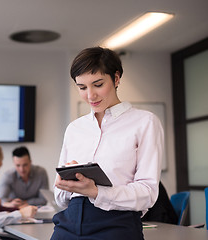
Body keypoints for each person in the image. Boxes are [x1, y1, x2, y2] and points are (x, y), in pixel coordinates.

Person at [52, 47, 164, 240]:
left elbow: (148, 193)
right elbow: (61, 198)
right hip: (68, 224)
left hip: (116, 225)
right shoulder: (75, 128)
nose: (90, 95)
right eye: (82, 87)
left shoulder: (145, 122)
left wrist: (97, 192)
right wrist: (64, 184)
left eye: (98, 84)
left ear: (116, 78)